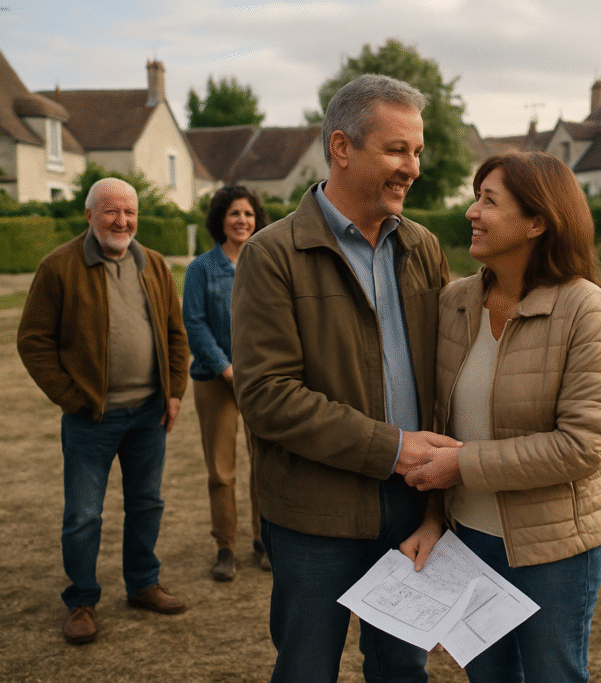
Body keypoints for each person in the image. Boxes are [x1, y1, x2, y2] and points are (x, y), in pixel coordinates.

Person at [230, 74, 457, 683]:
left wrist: (435, 499)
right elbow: (266, 396)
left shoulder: (424, 248)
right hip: (313, 517)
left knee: (402, 671)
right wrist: (394, 448)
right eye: (396, 149)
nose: (412, 167)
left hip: (411, 506)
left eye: (417, 151)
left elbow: (446, 374)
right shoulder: (272, 254)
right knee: (306, 669)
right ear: (340, 148)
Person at [401, 152, 601, 683]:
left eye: (488, 201)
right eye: (476, 198)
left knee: (553, 675)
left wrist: (462, 468)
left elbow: (581, 446)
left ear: (537, 222)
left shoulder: (584, 309)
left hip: (554, 549)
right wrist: (434, 518)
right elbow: (439, 421)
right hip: (469, 539)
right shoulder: (455, 302)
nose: (472, 213)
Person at [16, 177, 190, 646]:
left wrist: (174, 392)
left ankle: (143, 584)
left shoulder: (152, 264)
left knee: (147, 504)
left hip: (149, 414)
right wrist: (72, 398)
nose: (122, 221)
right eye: (111, 211)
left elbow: (176, 334)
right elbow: (33, 341)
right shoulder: (59, 267)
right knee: (83, 516)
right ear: (90, 215)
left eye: (129, 212)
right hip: (90, 418)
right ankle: (81, 601)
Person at [183, 186, 269, 582]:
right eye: (235, 213)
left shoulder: (267, 262)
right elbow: (195, 324)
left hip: (262, 381)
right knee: (221, 470)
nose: (242, 221)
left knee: (265, 465)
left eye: (248, 214)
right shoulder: (200, 268)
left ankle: (264, 541)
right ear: (221, 219)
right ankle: (225, 547)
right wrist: (226, 368)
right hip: (215, 381)